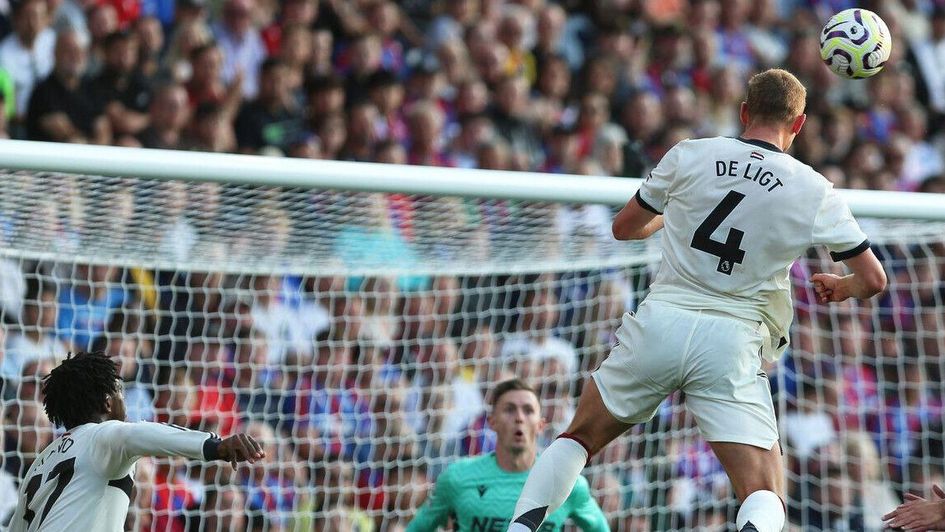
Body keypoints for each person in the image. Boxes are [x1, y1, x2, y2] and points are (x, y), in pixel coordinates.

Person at [507, 68, 887, 532]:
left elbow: (624, 228)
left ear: (744, 112)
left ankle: (520, 528)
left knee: (579, 438)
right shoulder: (813, 189)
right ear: (800, 124)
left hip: (661, 322)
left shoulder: (691, 154)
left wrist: (674, 221)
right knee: (764, 492)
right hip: (732, 342)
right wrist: (841, 286)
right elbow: (873, 279)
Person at [8, 351, 265, 531]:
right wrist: (215, 445)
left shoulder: (40, 464)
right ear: (107, 402)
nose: (125, 402)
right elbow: (141, 433)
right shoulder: (105, 434)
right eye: (120, 392)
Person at [407, 378, 608, 531]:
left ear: (540, 425)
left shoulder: (568, 482)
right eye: (510, 410)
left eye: (528, 410)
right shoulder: (456, 477)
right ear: (492, 421)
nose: (519, 418)